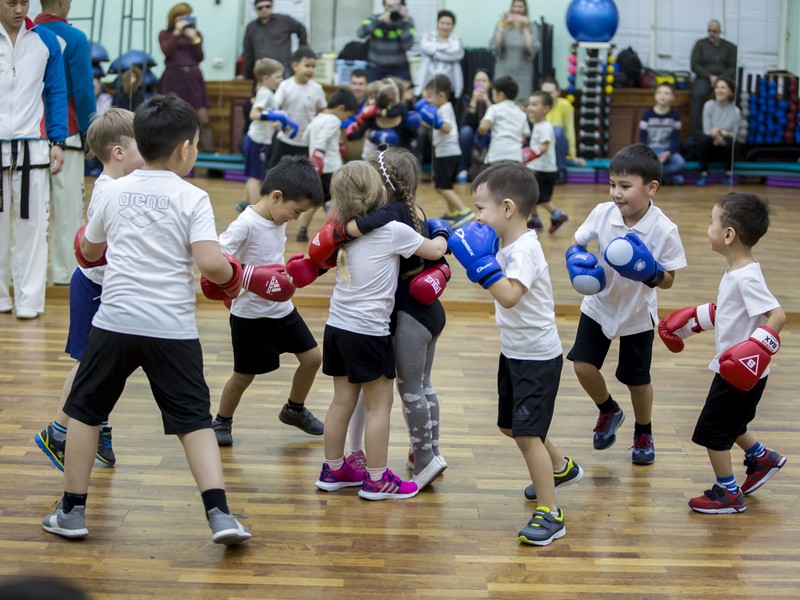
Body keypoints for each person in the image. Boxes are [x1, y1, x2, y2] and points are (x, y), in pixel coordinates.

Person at [41, 95, 251, 545]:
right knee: (194, 421)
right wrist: (236, 277)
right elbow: (211, 266)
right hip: (171, 328)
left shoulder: (112, 191)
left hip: (114, 321)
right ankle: (220, 515)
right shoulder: (194, 196)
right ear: (185, 150)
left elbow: (91, 251)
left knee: (85, 412)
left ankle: (71, 512)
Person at [448, 164, 583, 546]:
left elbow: (508, 296)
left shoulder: (526, 249)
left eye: (480, 209)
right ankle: (560, 467)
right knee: (512, 427)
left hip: (537, 357)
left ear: (507, 208)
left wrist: (480, 266)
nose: (476, 217)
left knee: (526, 435)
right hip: (515, 352)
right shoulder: (505, 245)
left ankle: (551, 512)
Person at [309, 161, 448, 500]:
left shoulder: (341, 230)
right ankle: (376, 479)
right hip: (369, 333)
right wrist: (442, 230)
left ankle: (333, 468)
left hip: (336, 329)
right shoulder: (393, 231)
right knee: (379, 407)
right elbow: (435, 251)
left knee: (341, 402)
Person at [658, 192, 786, 514]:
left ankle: (727, 492)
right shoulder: (737, 271)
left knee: (713, 432)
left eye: (711, 222)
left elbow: (777, 316)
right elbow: (728, 313)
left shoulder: (747, 277)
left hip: (739, 373)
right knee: (733, 421)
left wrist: (756, 349)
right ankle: (760, 458)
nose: (708, 228)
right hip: (739, 370)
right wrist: (688, 323)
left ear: (728, 234)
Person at [35, 108, 143, 473]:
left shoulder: (121, 184)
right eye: (141, 146)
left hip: (108, 287)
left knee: (110, 365)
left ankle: (98, 426)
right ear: (118, 153)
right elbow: (98, 247)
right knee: (89, 364)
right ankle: (59, 432)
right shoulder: (110, 191)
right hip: (95, 288)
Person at [565, 144, 686, 465]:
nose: (616, 193)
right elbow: (578, 240)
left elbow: (671, 279)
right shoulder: (603, 213)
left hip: (637, 312)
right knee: (582, 366)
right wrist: (576, 258)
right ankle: (608, 409)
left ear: (651, 188)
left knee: (637, 379)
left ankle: (643, 431)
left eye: (625, 186)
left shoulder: (664, 229)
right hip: (599, 304)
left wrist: (652, 272)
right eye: (612, 184)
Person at [211, 156, 326, 446]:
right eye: (295, 211)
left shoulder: (276, 217)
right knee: (243, 376)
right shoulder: (245, 224)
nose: (296, 218)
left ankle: (294, 409)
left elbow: (269, 257)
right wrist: (248, 277)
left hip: (281, 308)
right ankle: (221, 421)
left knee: (313, 359)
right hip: (250, 315)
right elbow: (217, 257)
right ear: (276, 196)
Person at [0, 0, 67, 320]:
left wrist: (58, 140)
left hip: (33, 149)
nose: (18, 9)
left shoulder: (47, 40)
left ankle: (29, 301)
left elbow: (56, 92)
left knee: (33, 229)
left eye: (24, 2)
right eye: (11, 2)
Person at [35, 0, 97, 287]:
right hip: (68, 132)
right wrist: (91, 132)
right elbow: (84, 91)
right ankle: (64, 273)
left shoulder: (27, 33)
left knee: (28, 212)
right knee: (68, 206)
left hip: (28, 132)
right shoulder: (73, 38)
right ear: (63, 2)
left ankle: (25, 276)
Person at [295, 89, 358, 242]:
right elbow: (322, 140)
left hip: (319, 169)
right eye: (347, 115)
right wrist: (320, 155)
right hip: (331, 169)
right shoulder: (334, 120)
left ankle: (302, 231)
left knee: (315, 201)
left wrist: (329, 146)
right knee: (337, 201)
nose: (345, 119)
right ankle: (331, 232)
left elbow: (305, 138)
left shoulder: (318, 118)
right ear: (341, 108)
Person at [415, 74, 474, 228]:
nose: (428, 100)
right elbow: (433, 124)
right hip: (445, 151)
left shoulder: (445, 109)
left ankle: (464, 210)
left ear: (441, 95)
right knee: (445, 184)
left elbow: (446, 128)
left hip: (448, 152)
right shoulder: (441, 107)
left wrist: (436, 120)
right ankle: (453, 212)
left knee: (442, 186)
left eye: (430, 96)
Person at [158, 3, 214, 152]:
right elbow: (167, 52)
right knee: (171, 119)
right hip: (173, 78)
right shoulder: (165, 33)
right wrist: (177, 32)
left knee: (203, 119)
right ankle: (170, 158)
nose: (185, 19)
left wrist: (195, 38)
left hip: (193, 78)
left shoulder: (196, 34)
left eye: (188, 15)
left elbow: (200, 57)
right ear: (173, 18)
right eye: (181, 16)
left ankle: (212, 163)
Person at [266, 46, 326, 176]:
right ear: (295, 65)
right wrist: (277, 120)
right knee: (274, 175)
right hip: (285, 140)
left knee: (304, 179)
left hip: (307, 142)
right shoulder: (285, 86)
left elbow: (322, 111)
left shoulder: (317, 88)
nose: (311, 70)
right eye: (307, 65)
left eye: (313, 66)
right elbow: (274, 107)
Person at [237, 57, 284, 212]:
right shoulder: (266, 93)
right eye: (277, 77)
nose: (280, 80)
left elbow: (266, 115)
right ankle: (256, 212)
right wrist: (273, 117)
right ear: (265, 78)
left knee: (253, 175)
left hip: (258, 139)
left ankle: (244, 203)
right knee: (257, 178)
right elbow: (254, 113)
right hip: (257, 141)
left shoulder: (265, 92)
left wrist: (276, 121)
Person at [524, 91, 569, 233]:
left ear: (545, 108)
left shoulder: (545, 126)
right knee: (531, 195)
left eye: (534, 104)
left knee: (542, 198)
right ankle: (535, 220)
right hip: (536, 168)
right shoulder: (537, 124)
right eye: (529, 104)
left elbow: (543, 147)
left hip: (544, 170)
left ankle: (558, 215)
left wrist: (528, 154)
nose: (530, 107)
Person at [690, 19, 738, 136]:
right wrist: (709, 77)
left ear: (720, 32)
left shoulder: (730, 47)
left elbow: (733, 67)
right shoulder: (700, 44)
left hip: (724, 77)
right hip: (704, 77)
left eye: (714, 31)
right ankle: (698, 133)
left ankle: (728, 131)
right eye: (709, 31)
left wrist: (720, 79)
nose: (712, 34)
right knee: (698, 94)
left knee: (734, 93)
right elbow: (694, 65)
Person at [243, 0, 307, 79]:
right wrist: (245, 74)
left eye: (267, 6)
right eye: (260, 8)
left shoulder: (285, 20)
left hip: (284, 70)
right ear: (256, 10)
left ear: (272, 6)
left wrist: (301, 51)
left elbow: (301, 29)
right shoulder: (251, 27)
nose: (264, 9)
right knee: (262, 91)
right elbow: (249, 53)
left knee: (286, 90)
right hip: (262, 72)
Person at [696, 78, 742, 186]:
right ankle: (704, 174)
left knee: (731, 143)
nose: (719, 90)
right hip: (711, 142)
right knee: (702, 140)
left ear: (730, 91)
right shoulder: (709, 105)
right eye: (717, 87)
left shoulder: (736, 111)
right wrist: (715, 135)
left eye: (723, 87)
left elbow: (735, 135)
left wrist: (723, 133)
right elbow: (706, 130)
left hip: (725, 145)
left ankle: (728, 174)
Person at [638, 83, 686, 186]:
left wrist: (668, 153)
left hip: (667, 150)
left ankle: (655, 178)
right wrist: (650, 153)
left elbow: (675, 139)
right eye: (659, 93)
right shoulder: (647, 115)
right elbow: (642, 138)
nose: (662, 96)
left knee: (680, 163)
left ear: (672, 97)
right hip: (650, 149)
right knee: (641, 164)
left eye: (666, 93)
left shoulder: (675, 116)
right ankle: (668, 179)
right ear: (655, 95)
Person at [357, 0, 415, 82]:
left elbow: (408, 45)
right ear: (384, 6)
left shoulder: (407, 22)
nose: (392, 10)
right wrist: (379, 20)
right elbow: (360, 33)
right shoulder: (374, 18)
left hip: (398, 67)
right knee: (371, 92)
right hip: (375, 67)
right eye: (389, 6)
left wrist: (403, 22)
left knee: (406, 91)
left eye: (396, 6)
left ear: (402, 6)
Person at [492, 0, 540, 100]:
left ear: (525, 9)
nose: (517, 9)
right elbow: (496, 45)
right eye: (515, 6)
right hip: (503, 71)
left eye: (520, 7)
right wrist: (502, 25)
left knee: (521, 103)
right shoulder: (502, 25)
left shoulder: (531, 27)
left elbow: (532, 49)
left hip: (523, 74)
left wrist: (525, 28)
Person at [478, 75, 529, 166]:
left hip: (497, 155)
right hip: (516, 156)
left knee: (496, 179)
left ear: (500, 95)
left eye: (493, 94)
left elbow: (483, 128)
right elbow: (523, 138)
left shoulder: (494, 108)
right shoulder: (521, 113)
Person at [540, 77, 585, 180]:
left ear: (558, 93)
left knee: (557, 130)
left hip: (558, 143)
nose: (547, 96)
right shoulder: (538, 105)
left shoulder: (565, 105)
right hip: (542, 143)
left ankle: (560, 170)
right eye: (544, 93)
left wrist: (573, 154)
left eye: (550, 93)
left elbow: (570, 129)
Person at [413, 10, 464, 99]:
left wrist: (436, 54)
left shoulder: (456, 40)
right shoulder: (428, 36)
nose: (445, 26)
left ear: (453, 26)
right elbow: (426, 47)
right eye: (442, 23)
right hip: (426, 84)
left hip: (449, 87)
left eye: (448, 24)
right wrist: (447, 50)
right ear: (437, 23)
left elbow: (457, 55)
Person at [456, 69, 493, 182]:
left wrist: (487, 102)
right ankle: (462, 169)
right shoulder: (467, 98)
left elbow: (497, 122)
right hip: (472, 132)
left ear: (490, 83)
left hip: (489, 132)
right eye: (477, 80)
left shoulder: (494, 98)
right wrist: (473, 101)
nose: (480, 83)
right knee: (465, 131)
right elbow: (465, 123)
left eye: (484, 80)